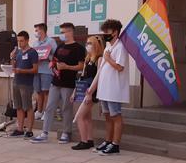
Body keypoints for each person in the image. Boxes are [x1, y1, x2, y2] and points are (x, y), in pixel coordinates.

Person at [32, 23, 85, 144]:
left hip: (68, 83)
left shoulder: (79, 48)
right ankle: (44, 132)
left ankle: (66, 132)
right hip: (55, 81)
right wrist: (52, 64)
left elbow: (81, 66)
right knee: (50, 107)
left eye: (63, 32)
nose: (61, 35)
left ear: (70, 32)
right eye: (60, 32)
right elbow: (54, 59)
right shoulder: (60, 46)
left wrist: (67, 67)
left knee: (66, 108)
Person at [88, 19, 130, 155]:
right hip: (105, 89)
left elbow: (119, 67)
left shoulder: (120, 47)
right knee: (107, 116)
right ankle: (108, 141)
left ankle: (115, 144)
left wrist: (108, 59)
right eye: (104, 32)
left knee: (115, 116)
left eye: (107, 32)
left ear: (115, 32)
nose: (105, 34)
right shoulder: (108, 47)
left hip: (114, 89)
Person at [71, 35, 104, 150]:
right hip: (84, 89)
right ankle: (89, 139)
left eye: (90, 43)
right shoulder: (88, 58)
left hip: (92, 90)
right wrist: (75, 91)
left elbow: (99, 77)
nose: (87, 45)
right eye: (87, 43)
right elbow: (82, 76)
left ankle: (83, 140)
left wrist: (90, 93)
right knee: (87, 117)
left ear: (95, 45)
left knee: (79, 116)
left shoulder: (99, 59)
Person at [8, 31, 39, 138]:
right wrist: (12, 57)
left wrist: (22, 71)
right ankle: (20, 128)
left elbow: (35, 69)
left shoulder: (32, 52)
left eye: (21, 41)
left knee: (28, 107)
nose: (19, 43)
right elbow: (14, 67)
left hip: (26, 83)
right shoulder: (19, 53)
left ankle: (29, 130)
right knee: (18, 107)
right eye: (18, 41)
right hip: (16, 81)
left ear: (27, 40)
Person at [32, 23, 58, 120]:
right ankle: (39, 111)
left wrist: (48, 56)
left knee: (46, 91)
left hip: (47, 70)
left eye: (37, 30)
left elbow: (56, 55)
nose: (36, 32)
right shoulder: (35, 43)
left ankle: (46, 112)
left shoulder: (51, 41)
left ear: (42, 30)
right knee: (38, 92)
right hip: (36, 70)